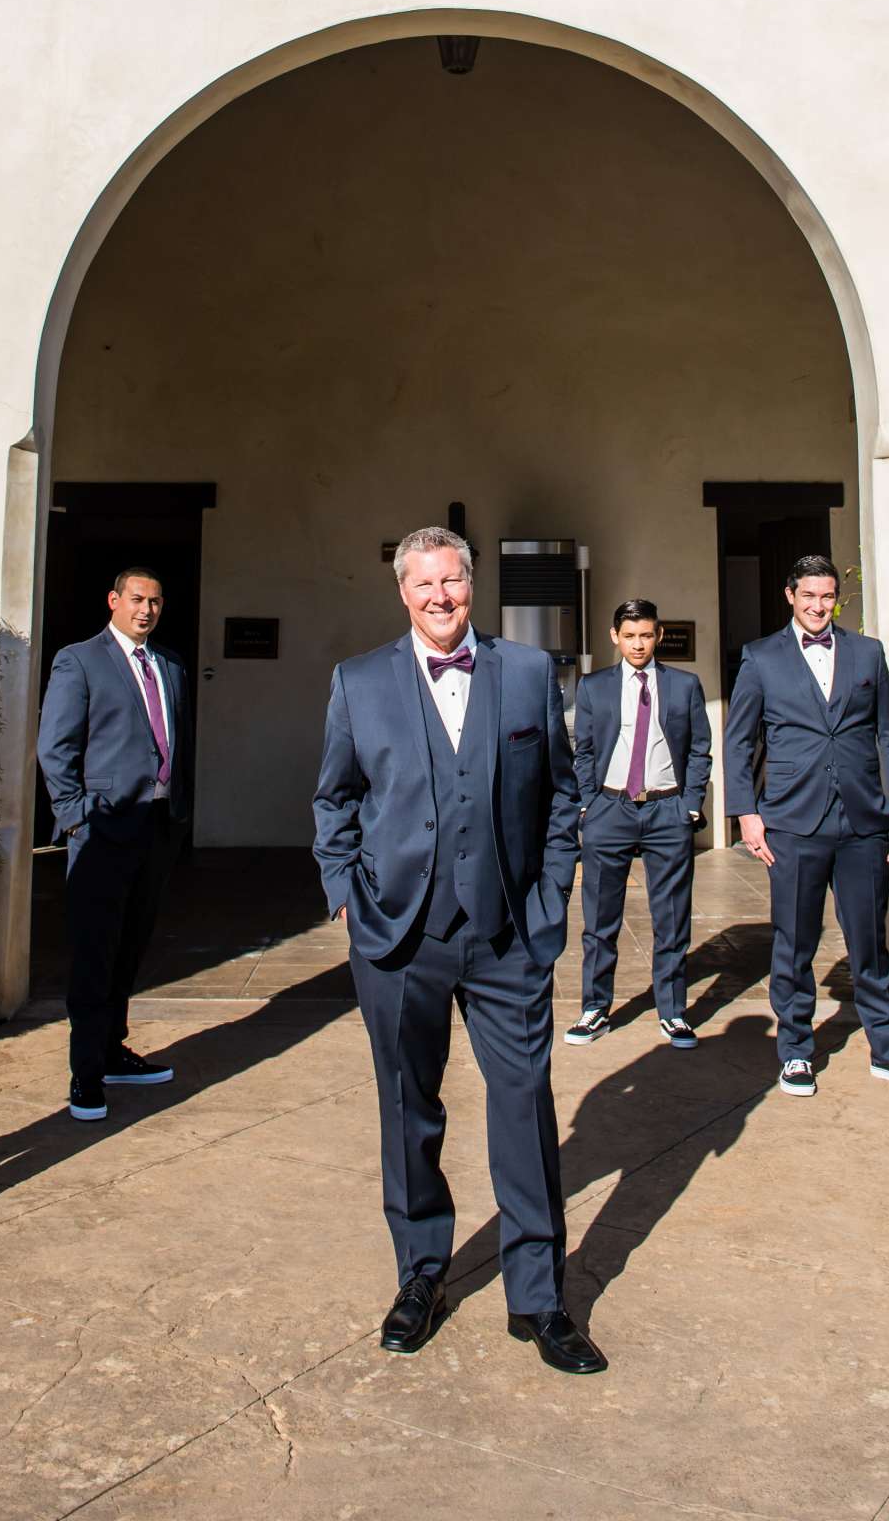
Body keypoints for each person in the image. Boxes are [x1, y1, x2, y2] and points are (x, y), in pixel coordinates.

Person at [313, 526, 604, 1374]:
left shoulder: (524, 674)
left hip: (508, 935)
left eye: (453, 581)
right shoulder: (358, 682)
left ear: (473, 585)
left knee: (524, 1104)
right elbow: (335, 799)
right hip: (399, 937)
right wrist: (344, 889)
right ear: (401, 592)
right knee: (409, 1109)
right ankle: (420, 1275)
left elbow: (560, 797)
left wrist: (549, 902)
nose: (439, 597)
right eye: (423, 584)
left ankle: (541, 1297)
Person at [725, 555, 889, 1100]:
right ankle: (795, 1049)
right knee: (794, 941)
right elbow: (740, 740)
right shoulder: (761, 656)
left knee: (869, 940)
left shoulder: (868, 653)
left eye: (827, 597)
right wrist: (748, 813)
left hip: (863, 820)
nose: (819, 606)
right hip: (791, 822)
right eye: (809, 596)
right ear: (790, 596)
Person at [37, 567, 195, 1123]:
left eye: (155, 601)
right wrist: (76, 817)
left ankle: (112, 1052)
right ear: (114, 600)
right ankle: (85, 1073)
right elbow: (55, 747)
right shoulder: (79, 660)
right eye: (136, 599)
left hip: (155, 826)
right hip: (102, 829)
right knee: (95, 952)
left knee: (131, 945)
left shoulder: (170, 664)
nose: (146, 610)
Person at [565, 598, 710, 1051]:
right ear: (615, 637)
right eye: (629, 636)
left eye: (646, 635)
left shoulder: (685, 685)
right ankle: (595, 1008)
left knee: (670, 917)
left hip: (667, 811)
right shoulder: (594, 687)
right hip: (611, 809)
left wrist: (690, 805)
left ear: (658, 635)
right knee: (600, 916)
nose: (638, 644)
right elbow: (583, 750)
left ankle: (672, 1011)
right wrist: (589, 804)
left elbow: (700, 748)